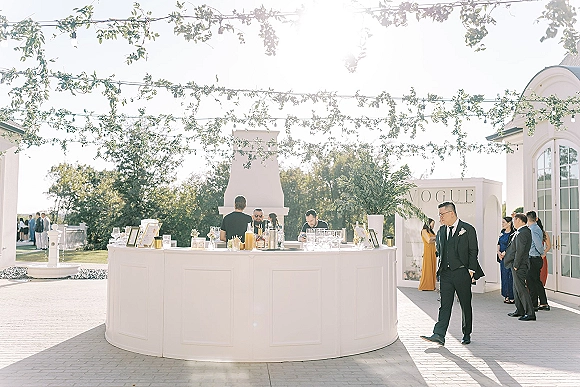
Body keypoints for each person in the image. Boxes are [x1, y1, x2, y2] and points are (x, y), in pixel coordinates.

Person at [420, 202, 484, 346]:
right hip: (446, 274)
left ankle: (466, 333)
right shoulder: (441, 231)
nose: (440, 218)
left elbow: (473, 251)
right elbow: (440, 251)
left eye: (442, 214)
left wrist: (471, 271)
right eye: (439, 215)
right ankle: (439, 334)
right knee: (444, 305)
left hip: (462, 272)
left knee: (465, 304)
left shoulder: (468, 229)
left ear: (451, 213)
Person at [504, 213, 536, 321]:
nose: (513, 222)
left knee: (521, 289)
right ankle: (520, 310)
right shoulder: (521, 232)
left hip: (519, 265)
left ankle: (530, 313)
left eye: (514, 220)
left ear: (519, 220)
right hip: (516, 264)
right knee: (516, 288)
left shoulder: (523, 232)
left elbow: (520, 251)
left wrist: (516, 265)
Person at [526, 211, 550, 312]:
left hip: (534, 258)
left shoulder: (533, 229)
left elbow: (538, 244)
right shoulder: (536, 228)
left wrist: (541, 253)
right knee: (535, 281)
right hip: (534, 258)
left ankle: (535, 304)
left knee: (532, 282)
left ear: (527, 219)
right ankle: (538, 303)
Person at [497, 216, 515, 304]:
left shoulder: (513, 233)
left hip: (509, 257)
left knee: (510, 276)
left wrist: (505, 252)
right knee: (504, 276)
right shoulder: (502, 232)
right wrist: (498, 252)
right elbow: (498, 243)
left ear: (509, 223)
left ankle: (512, 296)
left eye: (504, 222)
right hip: (502, 258)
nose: (502, 224)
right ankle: (506, 295)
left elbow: (512, 246)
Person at [418, 218, 437, 291]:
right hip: (428, 251)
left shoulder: (430, 231)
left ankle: (431, 285)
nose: (433, 226)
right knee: (428, 267)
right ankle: (426, 285)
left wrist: (434, 238)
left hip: (433, 250)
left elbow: (433, 239)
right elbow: (429, 240)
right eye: (432, 224)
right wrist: (436, 237)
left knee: (432, 267)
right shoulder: (424, 231)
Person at [537, 218, 551, 286]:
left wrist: (544, 252)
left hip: (541, 257)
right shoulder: (529, 232)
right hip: (531, 257)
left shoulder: (543, 233)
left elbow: (548, 246)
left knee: (541, 277)